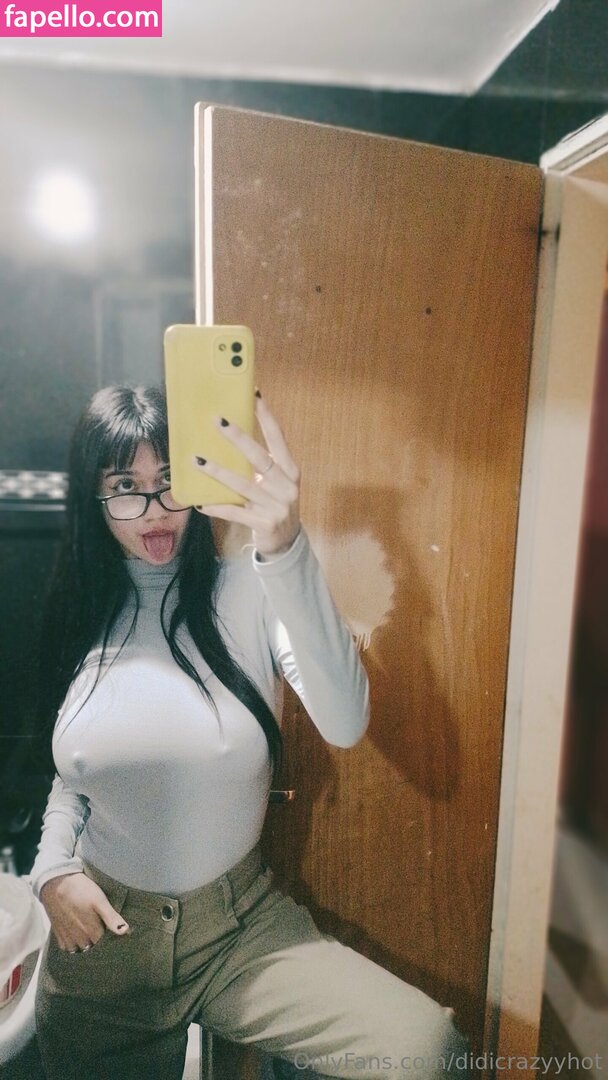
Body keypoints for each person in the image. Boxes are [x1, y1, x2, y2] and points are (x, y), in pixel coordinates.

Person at [29, 384, 470, 1080]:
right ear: (95, 497)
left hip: (240, 931)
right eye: (126, 486)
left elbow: (346, 721)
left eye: (171, 480)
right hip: (102, 945)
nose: (155, 509)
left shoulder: (253, 588)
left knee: (427, 1050)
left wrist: (286, 547)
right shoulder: (80, 611)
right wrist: (51, 869)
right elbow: (75, 776)